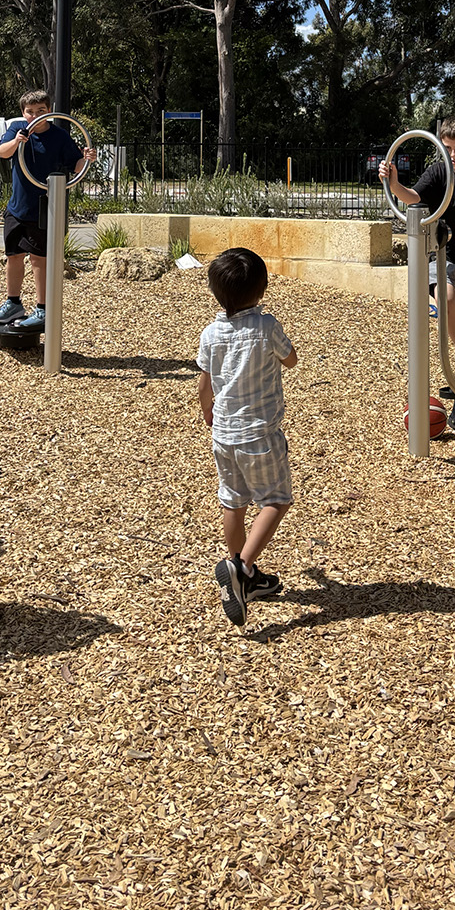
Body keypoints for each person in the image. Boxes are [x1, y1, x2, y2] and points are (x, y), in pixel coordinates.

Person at [380, 113, 455, 438]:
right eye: (448, 148)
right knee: (445, 296)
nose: (454, 155)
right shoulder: (439, 171)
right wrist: (393, 182)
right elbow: (413, 198)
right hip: (448, 257)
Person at [195, 247, 298, 627]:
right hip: (260, 434)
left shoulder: (210, 333)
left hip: (223, 433)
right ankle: (241, 566)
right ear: (263, 289)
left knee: (233, 501)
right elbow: (291, 359)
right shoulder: (267, 326)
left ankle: (247, 580)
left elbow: (205, 384)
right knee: (275, 500)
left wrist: (207, 411)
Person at [0, 90, 94, 333]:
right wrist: (17, 141)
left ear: (49, 111)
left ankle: (42, 307)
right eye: (30, 112)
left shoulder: (59, 136)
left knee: (38, 258)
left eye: (41, 111)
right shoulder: (18, 131)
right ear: (23, 113)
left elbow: (76, 165)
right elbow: (3, 152)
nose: (35, 116)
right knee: (13, 255)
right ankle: (13, 302)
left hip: (45, 207)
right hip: (17, 206)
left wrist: (86, 159)